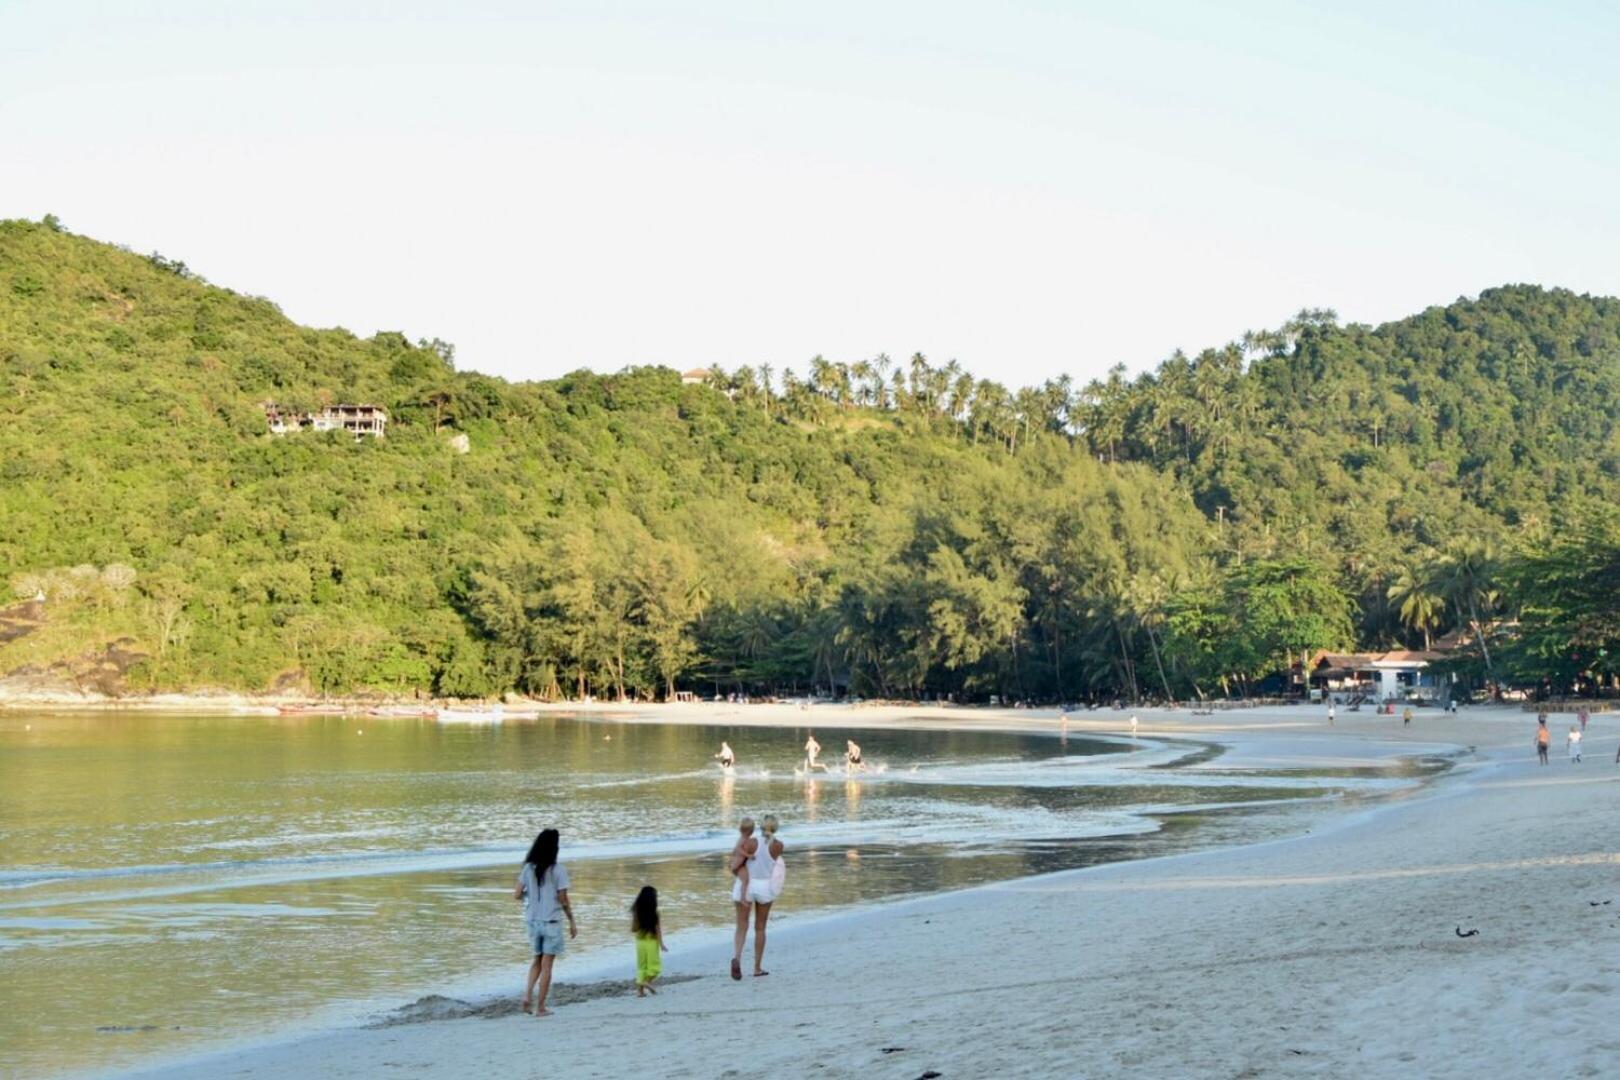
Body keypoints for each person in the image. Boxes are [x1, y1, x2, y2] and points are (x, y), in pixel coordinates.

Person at [515, 828, 576, 1017]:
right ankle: (540, 1007)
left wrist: (531, 895)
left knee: (536, 961)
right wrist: (572, 920)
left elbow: (517, 895)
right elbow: (563, 899)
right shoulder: (558, 870)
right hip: (551, 921)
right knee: (547, 965)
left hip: (533, 921)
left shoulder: (528, 868)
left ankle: (527, 996)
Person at [730, 814, 785, 980]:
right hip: (765, 886)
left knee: (742, 926)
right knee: (760, 928)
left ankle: (737, 958)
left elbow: (736, 863)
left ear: (760, 827)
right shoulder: (779, 846)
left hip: (747, 884)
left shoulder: (751, 842)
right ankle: (757, 968)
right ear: (775, 828)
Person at [631, 886, 668, 996]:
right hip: (651, 942)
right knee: (655, 967)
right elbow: (658, 930)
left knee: (642, 966)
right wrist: (661, 944)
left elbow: (633, 929)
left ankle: (640, 992)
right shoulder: (655, 913)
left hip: (640, 942)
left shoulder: (636, 911)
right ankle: (646, 982)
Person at [729, 817, 756, 899]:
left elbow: (735, 850)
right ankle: (743, 897)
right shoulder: (743, 839)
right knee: (745, 880)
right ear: (751, 831)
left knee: (744, 880)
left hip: (738, 864)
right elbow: (738, 849)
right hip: (737, 865)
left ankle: (743, 896)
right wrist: (748, 855)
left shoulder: (743, 838)